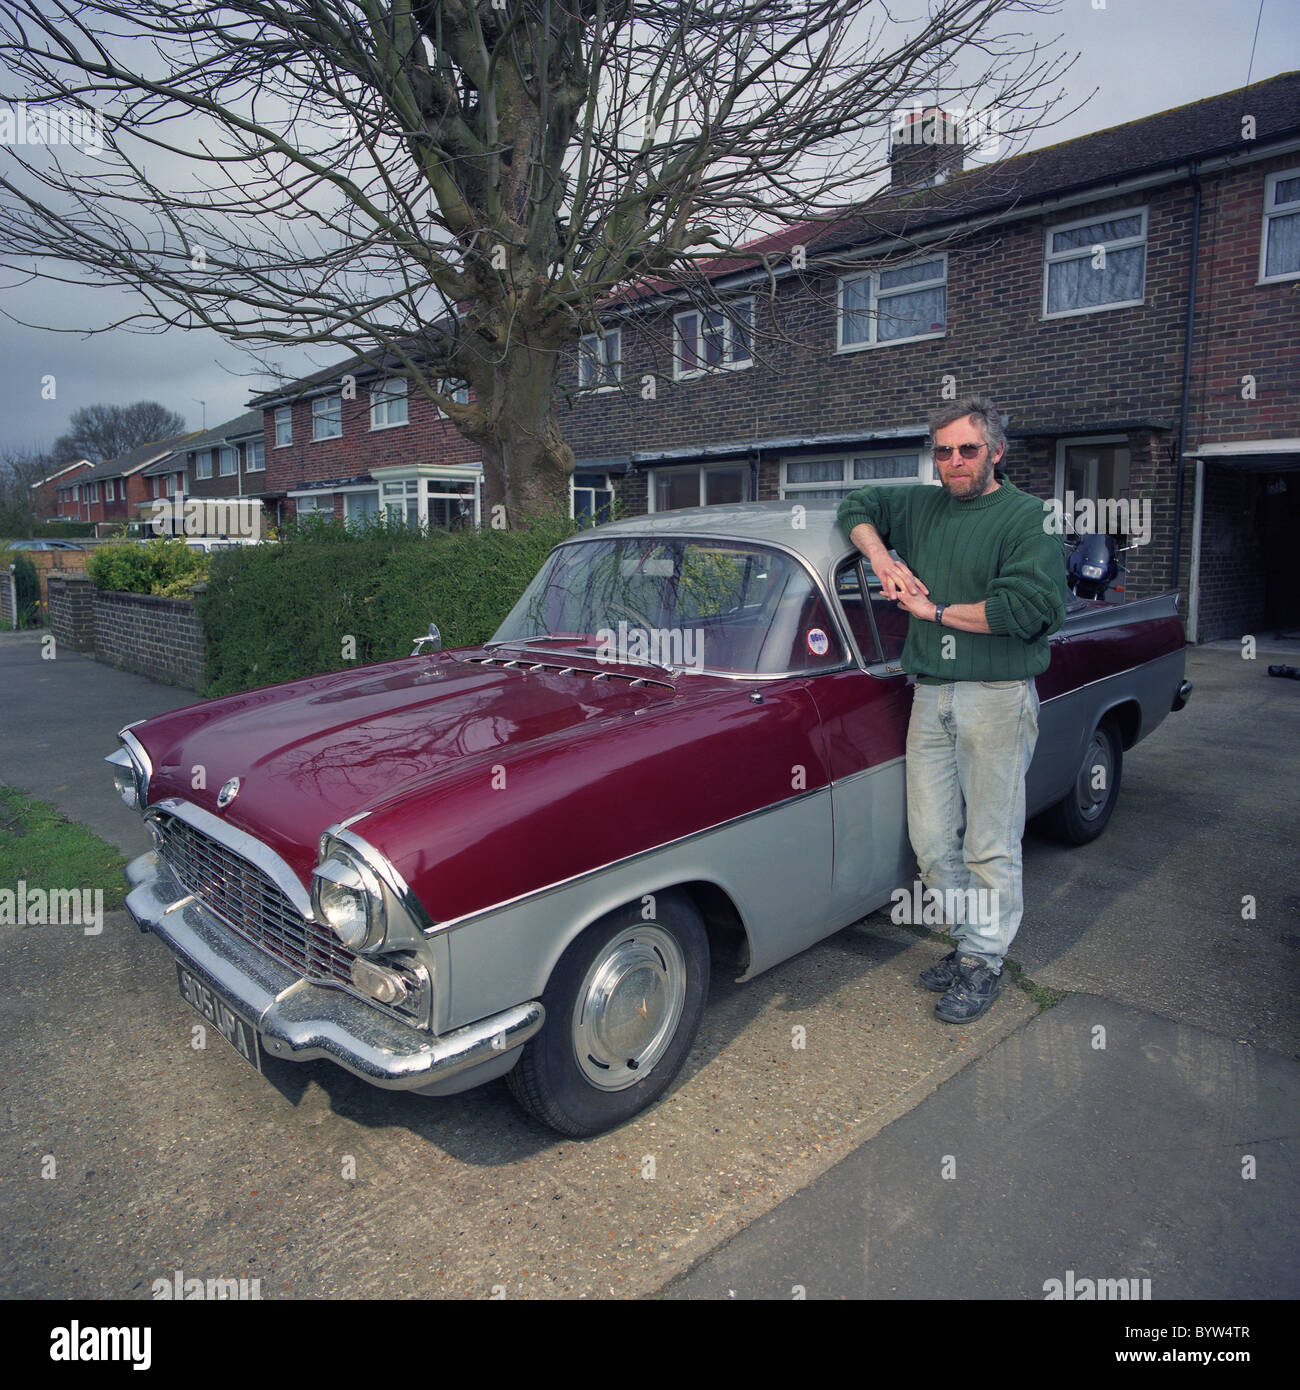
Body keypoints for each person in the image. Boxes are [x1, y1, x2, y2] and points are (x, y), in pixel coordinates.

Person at [837, 396, 1067, 1022]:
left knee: (990, 844)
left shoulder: (1029, 519)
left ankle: (985, 960)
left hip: (996, 696)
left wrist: (932, 612)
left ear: (996, 451)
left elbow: (1025, 612)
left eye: (968, 449)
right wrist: (882, 558)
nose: (955, 461)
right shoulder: (921, 506)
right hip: (931, 691)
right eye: (943, 451)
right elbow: (856, 507)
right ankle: (972, 942)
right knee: (934, 843)